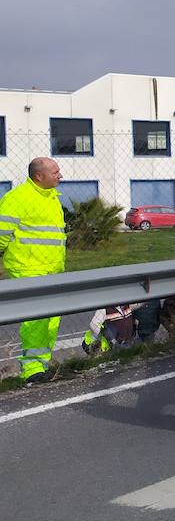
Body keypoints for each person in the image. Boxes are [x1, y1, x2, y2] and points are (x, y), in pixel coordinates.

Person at [0, 157, 66, 383]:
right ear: (39, 176)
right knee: (35, 321)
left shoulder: (52, 198)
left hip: (52, 268)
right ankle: (32, 370)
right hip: (27, 268)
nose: (60, 175)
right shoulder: (17, 198)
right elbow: (1, 233)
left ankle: (41, 365)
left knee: (51, 320)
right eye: (55, 172)